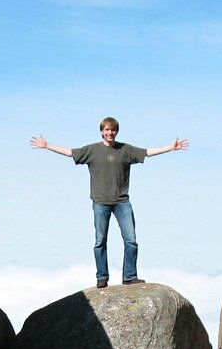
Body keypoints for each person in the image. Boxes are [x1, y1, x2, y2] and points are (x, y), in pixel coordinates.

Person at [30, 117, 188, 288]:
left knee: (131, 241)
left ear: (116, 132)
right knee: (100, 241)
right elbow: (70, 153)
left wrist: (170, 148)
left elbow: (147, 152)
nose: (110, 133)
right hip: (100, 203)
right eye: (106, 130)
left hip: (122, 202)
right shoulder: (92, 150)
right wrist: (47, 146)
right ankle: (102, 277)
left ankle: (129, 276)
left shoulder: (125, 150)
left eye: (112, 130)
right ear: (101, 132)